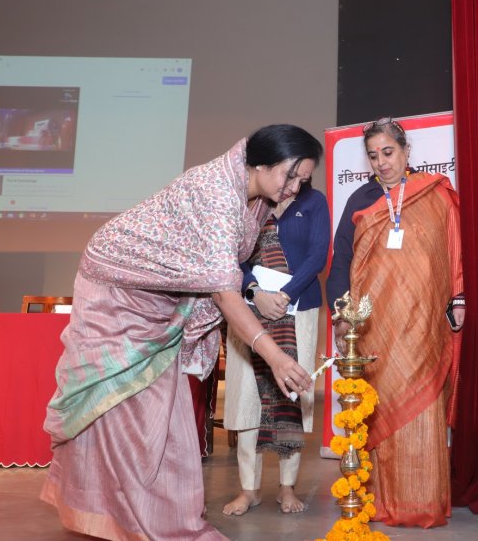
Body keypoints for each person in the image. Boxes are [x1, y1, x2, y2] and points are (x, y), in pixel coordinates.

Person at [41, 124, 322, 540]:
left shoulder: (257, 196)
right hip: (117, 289)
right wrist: (276, 356)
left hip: (161, 297)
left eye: (303, 179)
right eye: (291, 175)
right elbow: (224, 292)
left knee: (162, 412)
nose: (296, 188)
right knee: (126, 407)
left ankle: (150, 512)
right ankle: (126, 516)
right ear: (260, 163)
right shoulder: (217, 194)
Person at [326, 117, 464, 528]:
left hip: (423, 323)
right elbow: (342, 260)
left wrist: (458, 298)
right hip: (373, 329)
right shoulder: (361, 199)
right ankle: (380, 501)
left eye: (388, 153)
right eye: (373, 155)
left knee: (421, 410)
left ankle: (422, 502)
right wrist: (340, 314)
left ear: (406, 152)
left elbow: (453, 252)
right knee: (379, 407)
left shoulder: (436, 195)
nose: (382, 162)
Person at [222, 179, 330, 516]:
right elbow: (232, 255)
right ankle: (248, 490)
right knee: (247, 400)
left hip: (298, 309)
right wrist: (254, 292)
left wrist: (284, 295)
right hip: (248, 311)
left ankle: (287, 486)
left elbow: (317, 255)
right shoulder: (251, 203)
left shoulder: (313, 202)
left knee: (292, 394)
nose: (292, 177)